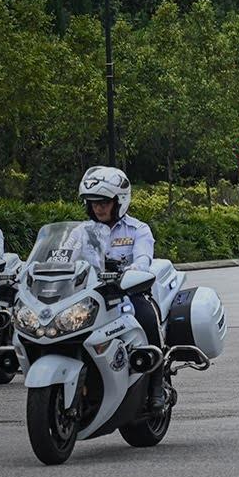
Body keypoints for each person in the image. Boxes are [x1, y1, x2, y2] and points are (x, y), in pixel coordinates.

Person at [76, 165, 167, 411]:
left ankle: (157, 384)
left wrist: (130, 273)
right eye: (93, 202)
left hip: (128, 292)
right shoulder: (81, 232)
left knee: (147, 317)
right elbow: (64, 258)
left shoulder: (138, 230)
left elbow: (143, 261)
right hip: (91, 295)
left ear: (119, 201)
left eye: (104, 202)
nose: (99, 207)